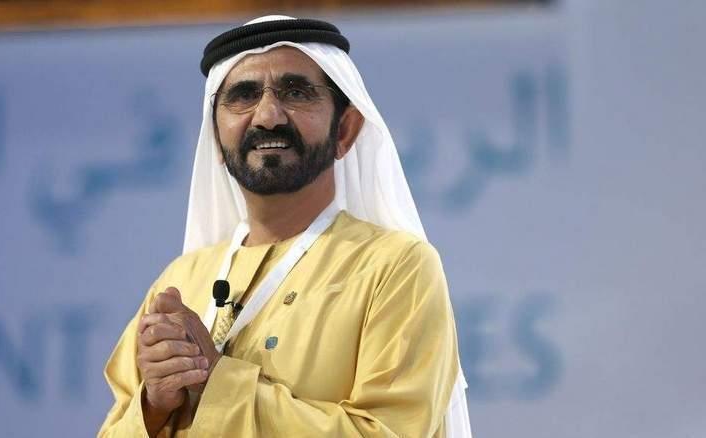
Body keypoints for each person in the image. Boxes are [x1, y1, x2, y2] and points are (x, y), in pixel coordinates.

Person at [98, 15, 471, 438]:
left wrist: (218, 383)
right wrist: (154, 407)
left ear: (345, 130)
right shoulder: (181, 281)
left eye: (296, 92)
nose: (268, 117)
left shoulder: (394, 267)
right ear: (216, 139)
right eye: (244, 95)